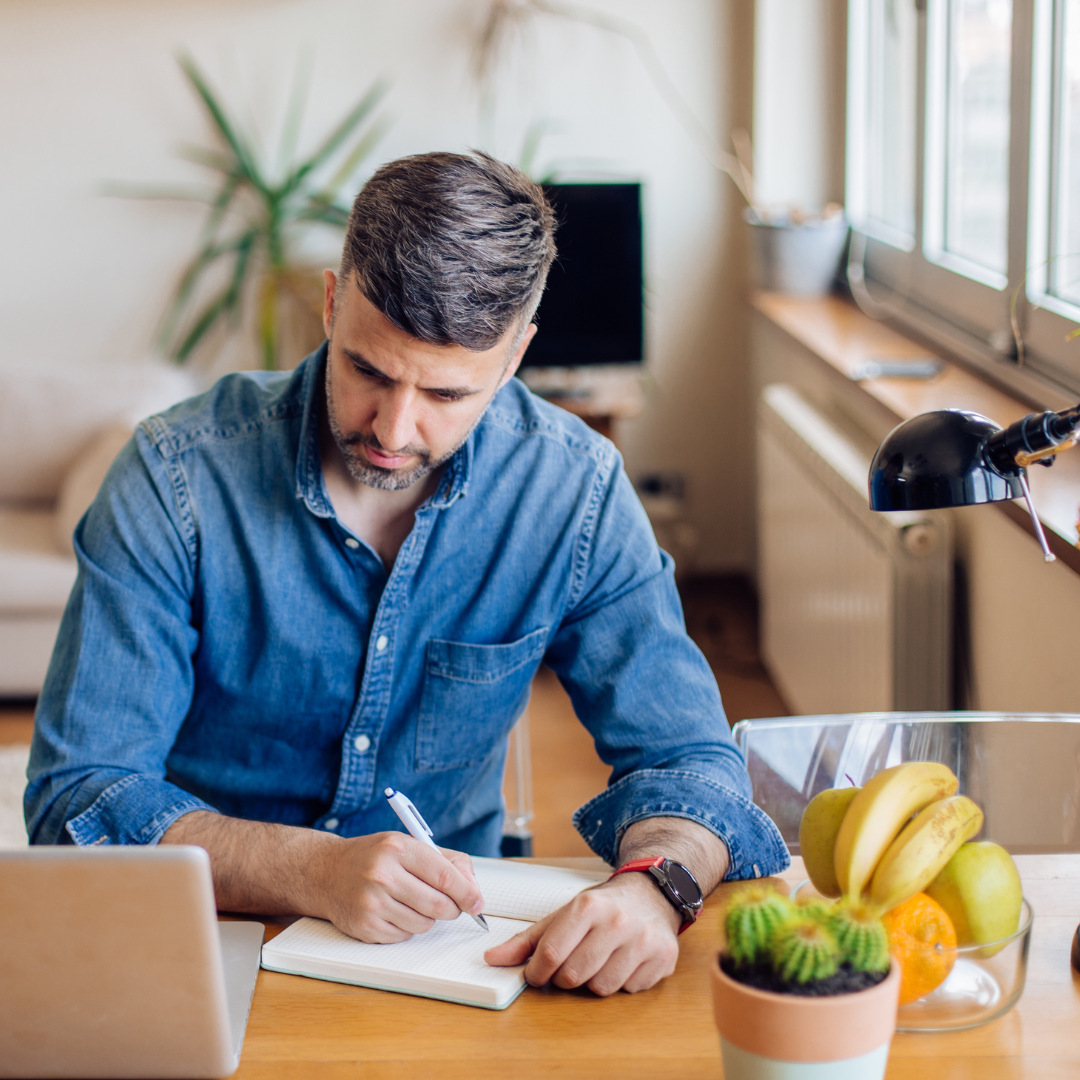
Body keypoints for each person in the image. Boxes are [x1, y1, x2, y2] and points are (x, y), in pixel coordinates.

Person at [26, 151, 787, 996]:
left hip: (450, 955)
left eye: (447, 395)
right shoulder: (175, 478)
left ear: (514, 357)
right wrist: (308, 870)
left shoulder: (573, 490)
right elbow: (78, 800)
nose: (394, 428)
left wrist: (656, 887)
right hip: (207, 934)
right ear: (330, 301)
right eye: (369, 371)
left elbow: (690, 763)